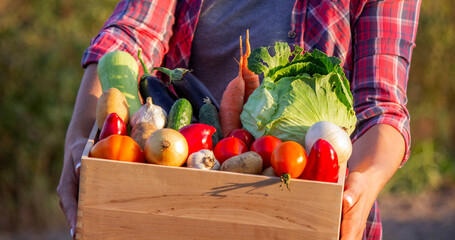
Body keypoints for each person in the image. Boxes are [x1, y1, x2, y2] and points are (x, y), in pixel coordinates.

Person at [57, 0, 422, 239]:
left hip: (308, 207)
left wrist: (364, 181)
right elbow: (131, 33)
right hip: (181, 194)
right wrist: (80, 134)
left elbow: (382, 104)